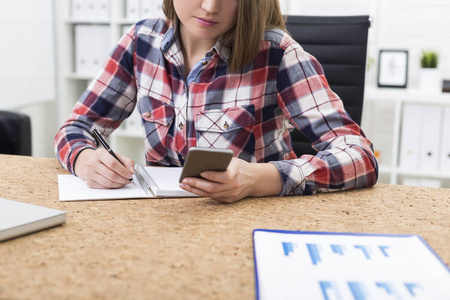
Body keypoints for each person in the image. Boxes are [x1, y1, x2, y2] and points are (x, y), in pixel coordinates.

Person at [54, 0, 378, 203]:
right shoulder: (140, 42)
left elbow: (360, 156)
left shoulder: (278, 55)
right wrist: (85, 160)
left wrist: (260, 179)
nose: (211, 6)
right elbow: (76, 127)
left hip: (254, 225)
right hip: (162, 227)